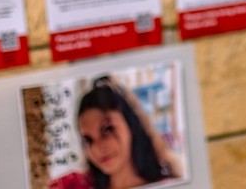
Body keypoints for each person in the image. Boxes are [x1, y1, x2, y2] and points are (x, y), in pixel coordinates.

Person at [53, 76, 181, 189]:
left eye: (107, 130)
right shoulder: (72, 185)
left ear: (131, 125)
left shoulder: (170, 184)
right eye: (88, 140)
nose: (97, 148)